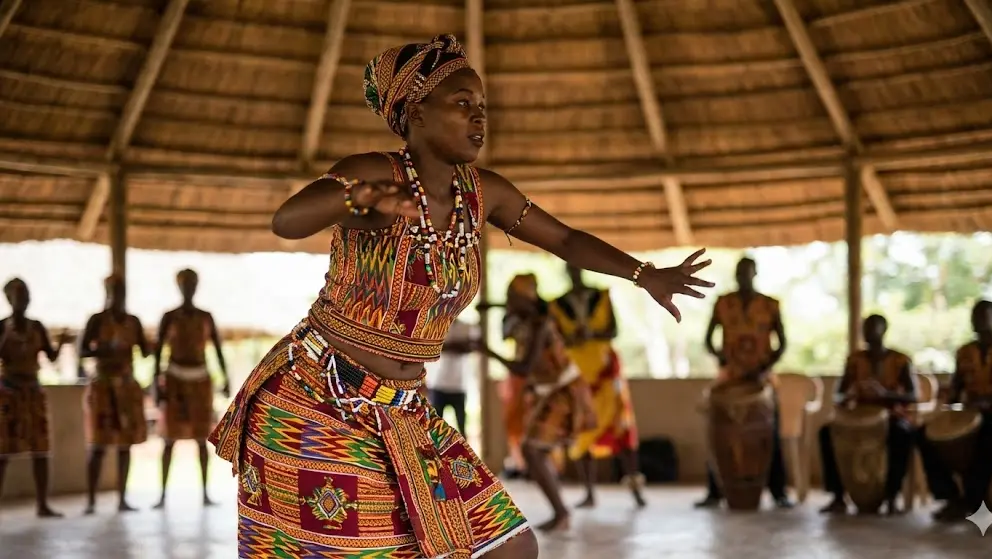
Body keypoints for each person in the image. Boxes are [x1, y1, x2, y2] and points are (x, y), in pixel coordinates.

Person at [207, 34, 713, 558]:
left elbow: (563, 239)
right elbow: (286, 221)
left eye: (482, 107)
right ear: (417, 113)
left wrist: (643, 273)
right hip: (316, 401)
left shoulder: (483, 193)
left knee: (511, 548)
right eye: (462, 103)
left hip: (403, 410)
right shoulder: (378, 172)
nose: (479, 118)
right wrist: (365, 195)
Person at [484, 275, 596, 531]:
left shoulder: (541, 324)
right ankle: (561, 511)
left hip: (563, 390)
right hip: (550, 390)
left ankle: (561, 513)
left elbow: (523, 368)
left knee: (532, 449)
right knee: (536, 450)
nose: (508, 302)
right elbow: (508, 321)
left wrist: (485, 350)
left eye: (512, 297)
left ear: (525, 299)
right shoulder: (525, 321)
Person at [696, 257, 792, 509]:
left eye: (747, 272)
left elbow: (782, 342)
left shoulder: (770, 305)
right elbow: (708, 339)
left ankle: (778, 491)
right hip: (731, 377)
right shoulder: (723, 303)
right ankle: (714, 491)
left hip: (761, 377)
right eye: (739, 272)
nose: (743, 277)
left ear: (755, 274)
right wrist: (723, 360)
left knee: (770, 433)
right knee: (717, 431)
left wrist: (765, 366)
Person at [917, 300, 992, 522]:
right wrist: (949, 395)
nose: (978, 320)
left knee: (991, 435)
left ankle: (972, 500)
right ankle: (950, 496)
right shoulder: (964, 352)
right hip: (971, 415)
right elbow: (956, 392)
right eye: (975, 316)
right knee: (923, 434)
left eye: (984, 315)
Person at [549, 264, 645, 509]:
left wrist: (591, 335)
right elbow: (555, 338)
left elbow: (614, 330)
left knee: (621, 429)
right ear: (566, 273)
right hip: (577, 374)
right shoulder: (557, 305)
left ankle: (636, 492)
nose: (574, 272)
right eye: (570, 269)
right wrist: (573, 339)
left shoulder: (602, 296)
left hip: (604, 372)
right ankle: (589, 493)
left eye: (576, 268)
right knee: (582, 432)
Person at [818, 314, 919, 515]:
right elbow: (838, 394)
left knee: (903, 434)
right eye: (865, 328)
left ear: (884, 330)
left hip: (891, 416)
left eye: (873, 328)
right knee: (825, 432)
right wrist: (849, 394)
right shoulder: (855, 359)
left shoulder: (901, 360)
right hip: (857, 417)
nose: (868, 333)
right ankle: (837, 496)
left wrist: (885, 394)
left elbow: (914, 395)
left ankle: (892, 496)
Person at [152, 269, 231, 508]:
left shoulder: (206, 317)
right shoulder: (169, 317)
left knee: (200, 438)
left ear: (197, 287)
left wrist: (226, 377)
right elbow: (157, 352)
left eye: (192, 284)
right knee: (169, 439)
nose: (189, 288)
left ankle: (205, 493)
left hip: (200, 381)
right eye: (185, 284)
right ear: (179, 287)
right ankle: (163, 495)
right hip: (174, 380)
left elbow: (217, 347)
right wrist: (157, 384)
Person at [79, 274, 149, 514]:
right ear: (106, 292)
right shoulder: (96, 321)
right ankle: (91, 500)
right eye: (113, 290)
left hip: (126, 387)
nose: (117, 295)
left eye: (121, 291)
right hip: (102, 387)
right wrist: (104, 351)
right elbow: (82, 350)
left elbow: (146, 350)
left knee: (124, 445)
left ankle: (122, 498)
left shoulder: (133, 321)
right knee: (97, 445)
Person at [0, 278, 67, 517]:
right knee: (3, 452)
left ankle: (42, 504)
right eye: (18, 295)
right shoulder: (2, 327)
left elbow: (50, 356)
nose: (22, 300)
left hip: (34, 392)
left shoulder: (37, 327)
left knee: (40, 450)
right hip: (8, 393)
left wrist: (60, 345)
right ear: (9, 299)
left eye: (25, 295)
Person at [426, 318, 476, 434]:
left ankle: (463, 452)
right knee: (434, 428)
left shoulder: (467, 327)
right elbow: (429, 347)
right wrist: (456, 346)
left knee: (462, 427)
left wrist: (446, 346)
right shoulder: (435, 326)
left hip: (459, 385)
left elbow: (473, 346)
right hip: (437, 384)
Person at [499, 311, 529, 479]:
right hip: (517, 378)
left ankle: (528, 465)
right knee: (514, 424)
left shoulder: (539, 323)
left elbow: (525, 366)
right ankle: (521, 464)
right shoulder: (513, 318)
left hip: (532, 379)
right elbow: (505, 335)